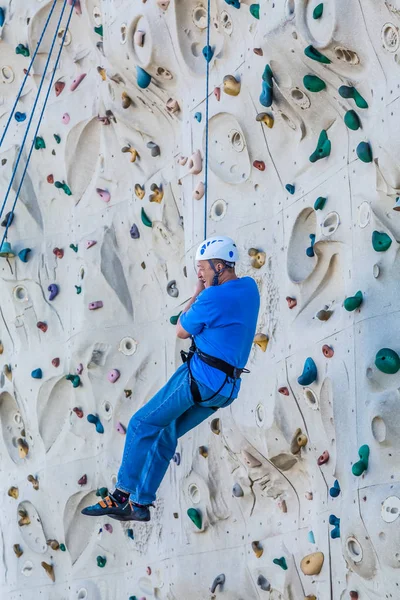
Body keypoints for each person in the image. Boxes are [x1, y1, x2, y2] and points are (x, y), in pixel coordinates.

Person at [81, 235, 260, 522]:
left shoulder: (211, 296)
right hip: (225, 391)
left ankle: (121, 495)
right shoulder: (250, 289)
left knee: (141, 423)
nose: (199, 273)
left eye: (202, 267)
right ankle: (140, 504)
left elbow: (181, 329)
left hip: (199, 379)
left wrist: (198, 291)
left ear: (219, 266)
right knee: (166, 432)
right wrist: (206, 289)